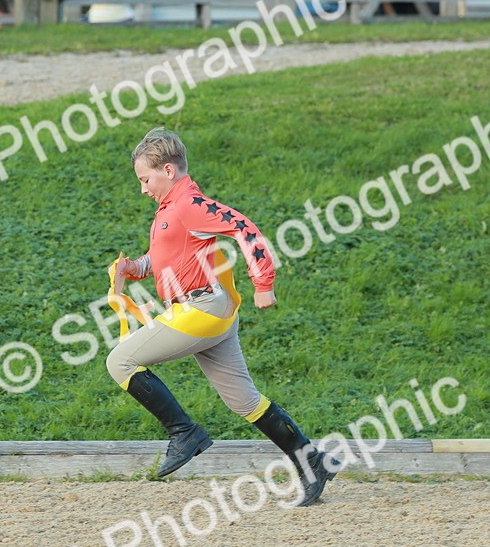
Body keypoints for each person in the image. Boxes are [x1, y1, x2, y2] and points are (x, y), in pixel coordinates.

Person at [106, 128, 338, 507]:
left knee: (120, 361)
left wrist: (263, 283)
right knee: (246, 402)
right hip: (208, 311)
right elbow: (165, 258)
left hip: (202, 310)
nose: (143, 189)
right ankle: (312, 461)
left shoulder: (189, 204)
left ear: (168, 170)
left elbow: (245, 229)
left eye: (145, 179)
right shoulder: (171, 209)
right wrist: (135, 268)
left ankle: (184, 433)